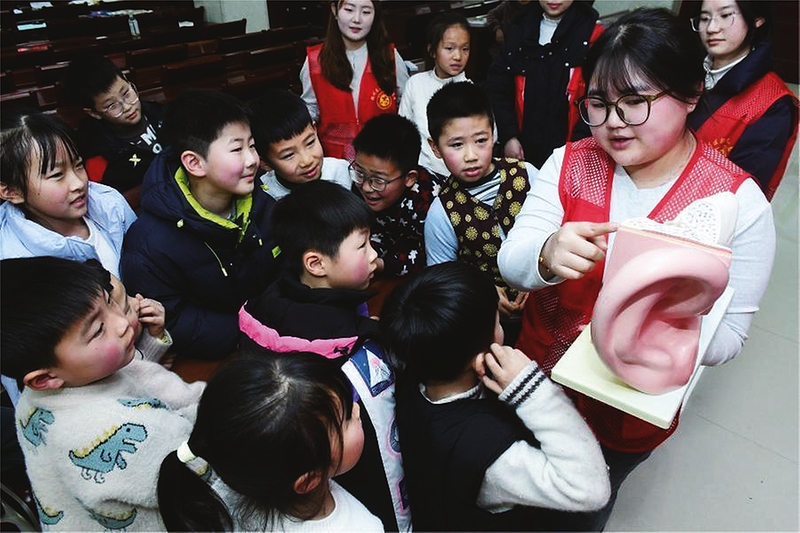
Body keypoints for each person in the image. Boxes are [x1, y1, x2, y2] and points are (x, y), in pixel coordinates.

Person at [498, 8, 775, 529]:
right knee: (519, 491)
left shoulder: (738, 205)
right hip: (539, 382)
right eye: (598, 104)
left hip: (629, 410)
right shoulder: (568, 163)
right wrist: (546, 254)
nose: (613, 122)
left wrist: (668, 321)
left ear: (691, 94)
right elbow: (511, 262)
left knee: (586, 505)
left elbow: (731, 336)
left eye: (634, 102)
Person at [380, 262, 610, 531]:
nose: (501, 327)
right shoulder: (492, 457)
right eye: (497, 322)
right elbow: (591, 489)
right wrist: (532, 389)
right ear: (481, 361)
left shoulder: (414, 369)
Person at [239, 180, 409, 532]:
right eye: (362, 246)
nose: (374, 255)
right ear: (316, 264)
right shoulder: (346, 352)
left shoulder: (269, 303)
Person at [2, 256, 205, 532]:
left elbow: (137, 375)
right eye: (98, 329)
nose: (122, 323)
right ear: (45, 379)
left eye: (110, 301)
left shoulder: (57, 385)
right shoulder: (114, 428)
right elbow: (209, 481)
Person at [121, 89, 282, 361]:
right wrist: (248, 333)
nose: (252, 159)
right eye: (237, 149)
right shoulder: (148, 243)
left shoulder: (262, 203)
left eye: (252, 145)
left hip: (275, 336)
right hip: (219, 358)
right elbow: (172, 318)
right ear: (194, 163)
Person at [158, 350, 382, 532]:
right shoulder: (364, 527)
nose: (357, 409)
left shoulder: (224, 481)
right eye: (346, 419)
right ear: (308, 481)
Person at [0, 110, 137, 405]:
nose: (78, 182)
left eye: (78, 165)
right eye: (56, 175)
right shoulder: (12, 264)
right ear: (10, 190)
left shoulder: (109, 204)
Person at [424, 81, 536, 334]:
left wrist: (542, 275)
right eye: (457, 145)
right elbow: (442, 280)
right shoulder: (441, 213)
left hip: (546, 306)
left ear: (494, 134)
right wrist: (481, 292)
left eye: (481, 140)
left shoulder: (527, 175)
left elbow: (555, 230)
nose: (471, 155)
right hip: (487, 324)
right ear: (435, 148)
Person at [686, 0, 798, 200]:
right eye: (704, 18)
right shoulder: (682, 68)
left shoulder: (772, 102)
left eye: (725, 15)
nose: (711, 28)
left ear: (757, 19)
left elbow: (745, 188)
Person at [485, 0, 603, 169]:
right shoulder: (519, 29)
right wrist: (509, 136)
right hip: (523, 152)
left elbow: (599, 97)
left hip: (575, 153)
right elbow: (498, 88)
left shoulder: (593, 35)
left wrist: (578, 148)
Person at [301, 0, 410, 160]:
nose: (357, 19)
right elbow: (309, 109)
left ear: (375, 15)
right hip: (333, 158)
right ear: (335, 10)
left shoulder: (389, 56)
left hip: (382, 156)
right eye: (349, 9)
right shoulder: (315, 60)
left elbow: (406, 103)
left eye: (366, 12)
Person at [62, 54, 166, 208]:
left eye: (126, 93)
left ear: (127, 80)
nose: (127, 107)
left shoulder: (160, 113)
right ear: (94, 113)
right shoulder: (98, 155)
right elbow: (109, 203)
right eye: (112, 106)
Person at [352, 114, 444, 277]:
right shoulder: (362, 184)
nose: (366, 187)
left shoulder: (429, 204)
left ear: (409, 178)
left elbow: (429, 257)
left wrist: (381, 265)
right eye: (359, 173)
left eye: (379, 180)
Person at [399, 13, 472, 178]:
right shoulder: (416, 84)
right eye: (449, 48)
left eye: (465, 49)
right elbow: (403, 133)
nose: (458, 56)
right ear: (432, 51)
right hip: (420, 176)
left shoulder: (471, 92)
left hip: (459, 177)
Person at [249, 88, 351, 201]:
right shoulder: (265, 196)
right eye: (288, 155)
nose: (307, 161)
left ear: (315, 129)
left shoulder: (342, 172)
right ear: (264, 163)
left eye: (310, 143)